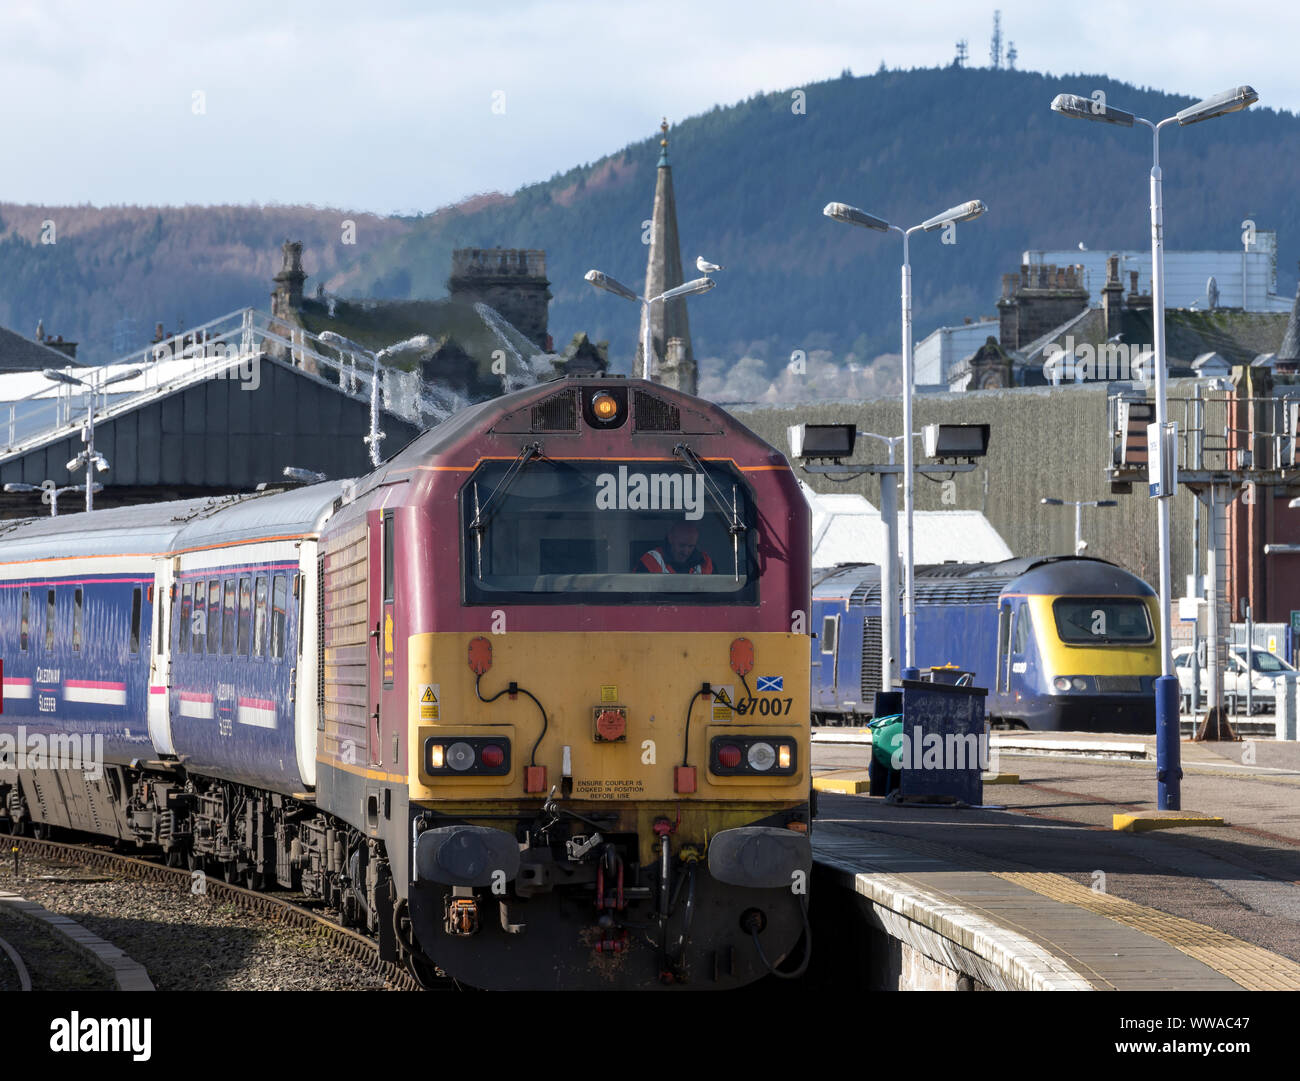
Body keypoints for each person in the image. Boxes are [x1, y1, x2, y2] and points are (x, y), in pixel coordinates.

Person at [637, 522, 713, 574]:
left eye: (691, 546)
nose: (685, 552)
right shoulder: (652, 560)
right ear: (670, 538)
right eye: (681, 545)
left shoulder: (704, 562)